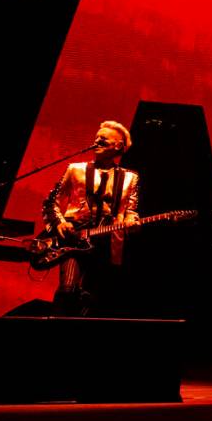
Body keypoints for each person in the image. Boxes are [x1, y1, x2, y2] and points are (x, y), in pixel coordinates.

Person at [42, 121, 139, 316]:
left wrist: (132, 221)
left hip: (107, 241)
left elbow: (130, 209)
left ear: (118, 146)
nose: (97, 140)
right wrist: (61, 222)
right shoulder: (75, 169)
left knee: (94, 298)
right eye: (96, 137)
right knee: (67, 290)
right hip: (74, 238)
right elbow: (51, 202)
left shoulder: (130, 177)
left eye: (103, 139)